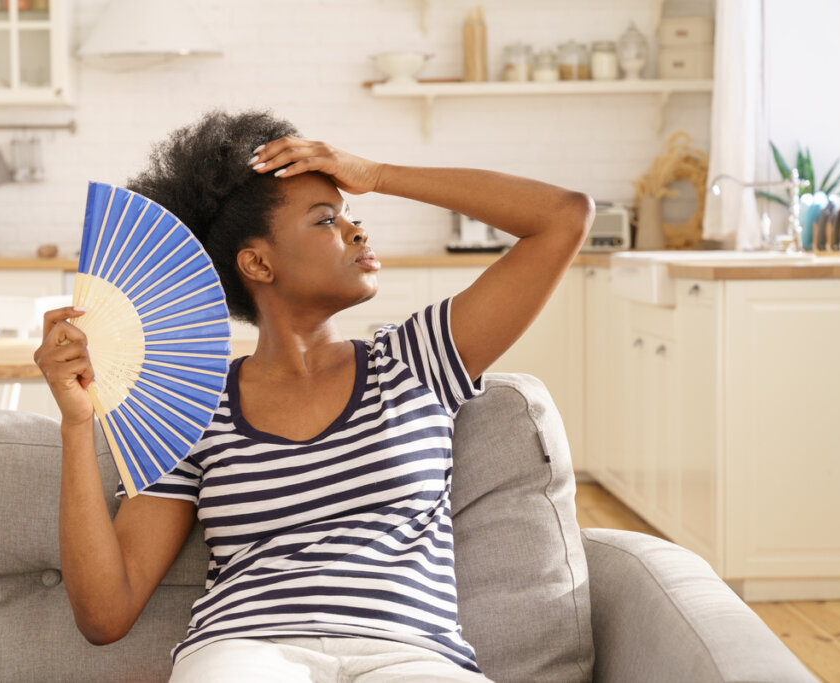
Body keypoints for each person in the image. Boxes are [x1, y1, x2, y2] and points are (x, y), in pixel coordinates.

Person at [34, 108, 594, 682]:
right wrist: (77, 425)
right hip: (245, 652)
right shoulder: (195, 406)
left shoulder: (415, 361)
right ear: (257, 263)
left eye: (352, 214)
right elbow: (105, 615)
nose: (357, 230)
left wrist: (373, 172)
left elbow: (562, 217)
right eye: (326, 219)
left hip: (409, 654)